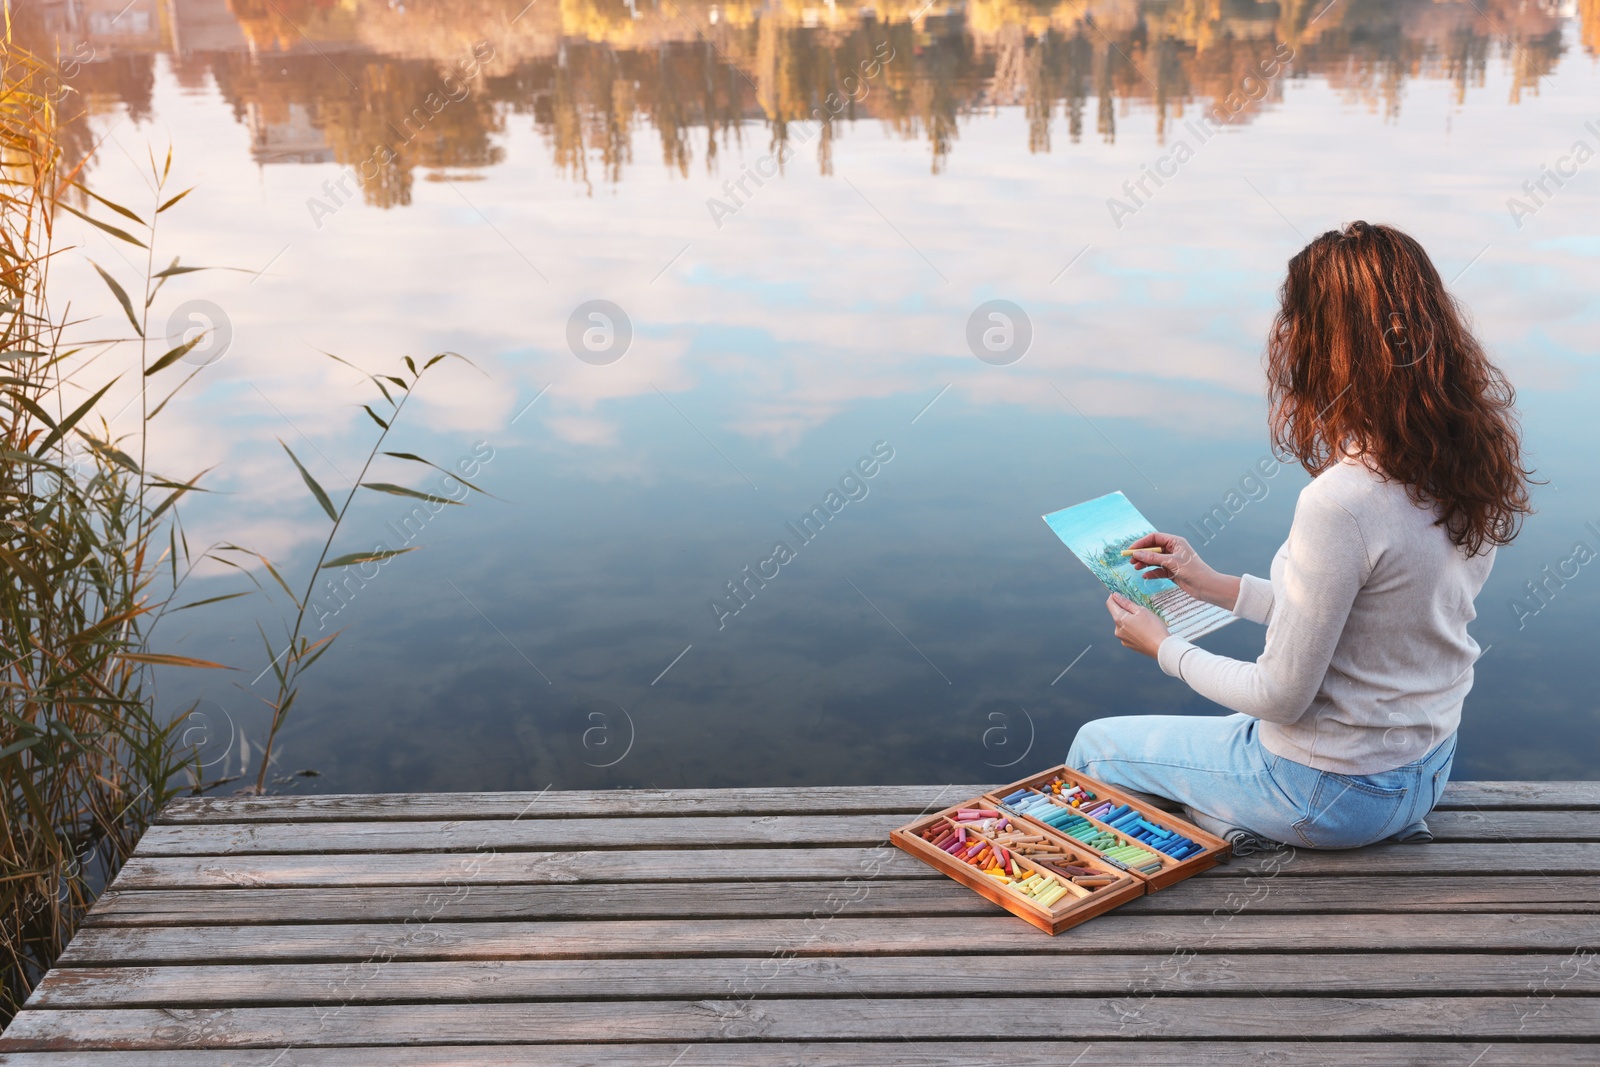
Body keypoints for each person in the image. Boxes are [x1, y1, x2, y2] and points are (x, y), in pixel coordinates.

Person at [1066, 221, 1532, 853]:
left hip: (1327, 795)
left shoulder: (1341, 502)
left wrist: (1162, 647)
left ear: (1327, 348)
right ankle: (1232, 821)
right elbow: (1372, 619)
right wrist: (1214, 585)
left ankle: (1235, 828)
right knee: (1220, 733)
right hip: (1421, 775)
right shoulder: (1461, 465)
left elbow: (1281, 698)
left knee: (1097, 747)